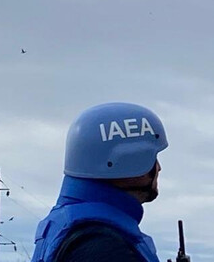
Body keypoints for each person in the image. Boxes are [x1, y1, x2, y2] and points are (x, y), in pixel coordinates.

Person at [31, 102, 169, 262]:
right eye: (151, 158)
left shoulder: (74, 226)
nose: (158, 168)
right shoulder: (102, 246)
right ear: (127, 161)